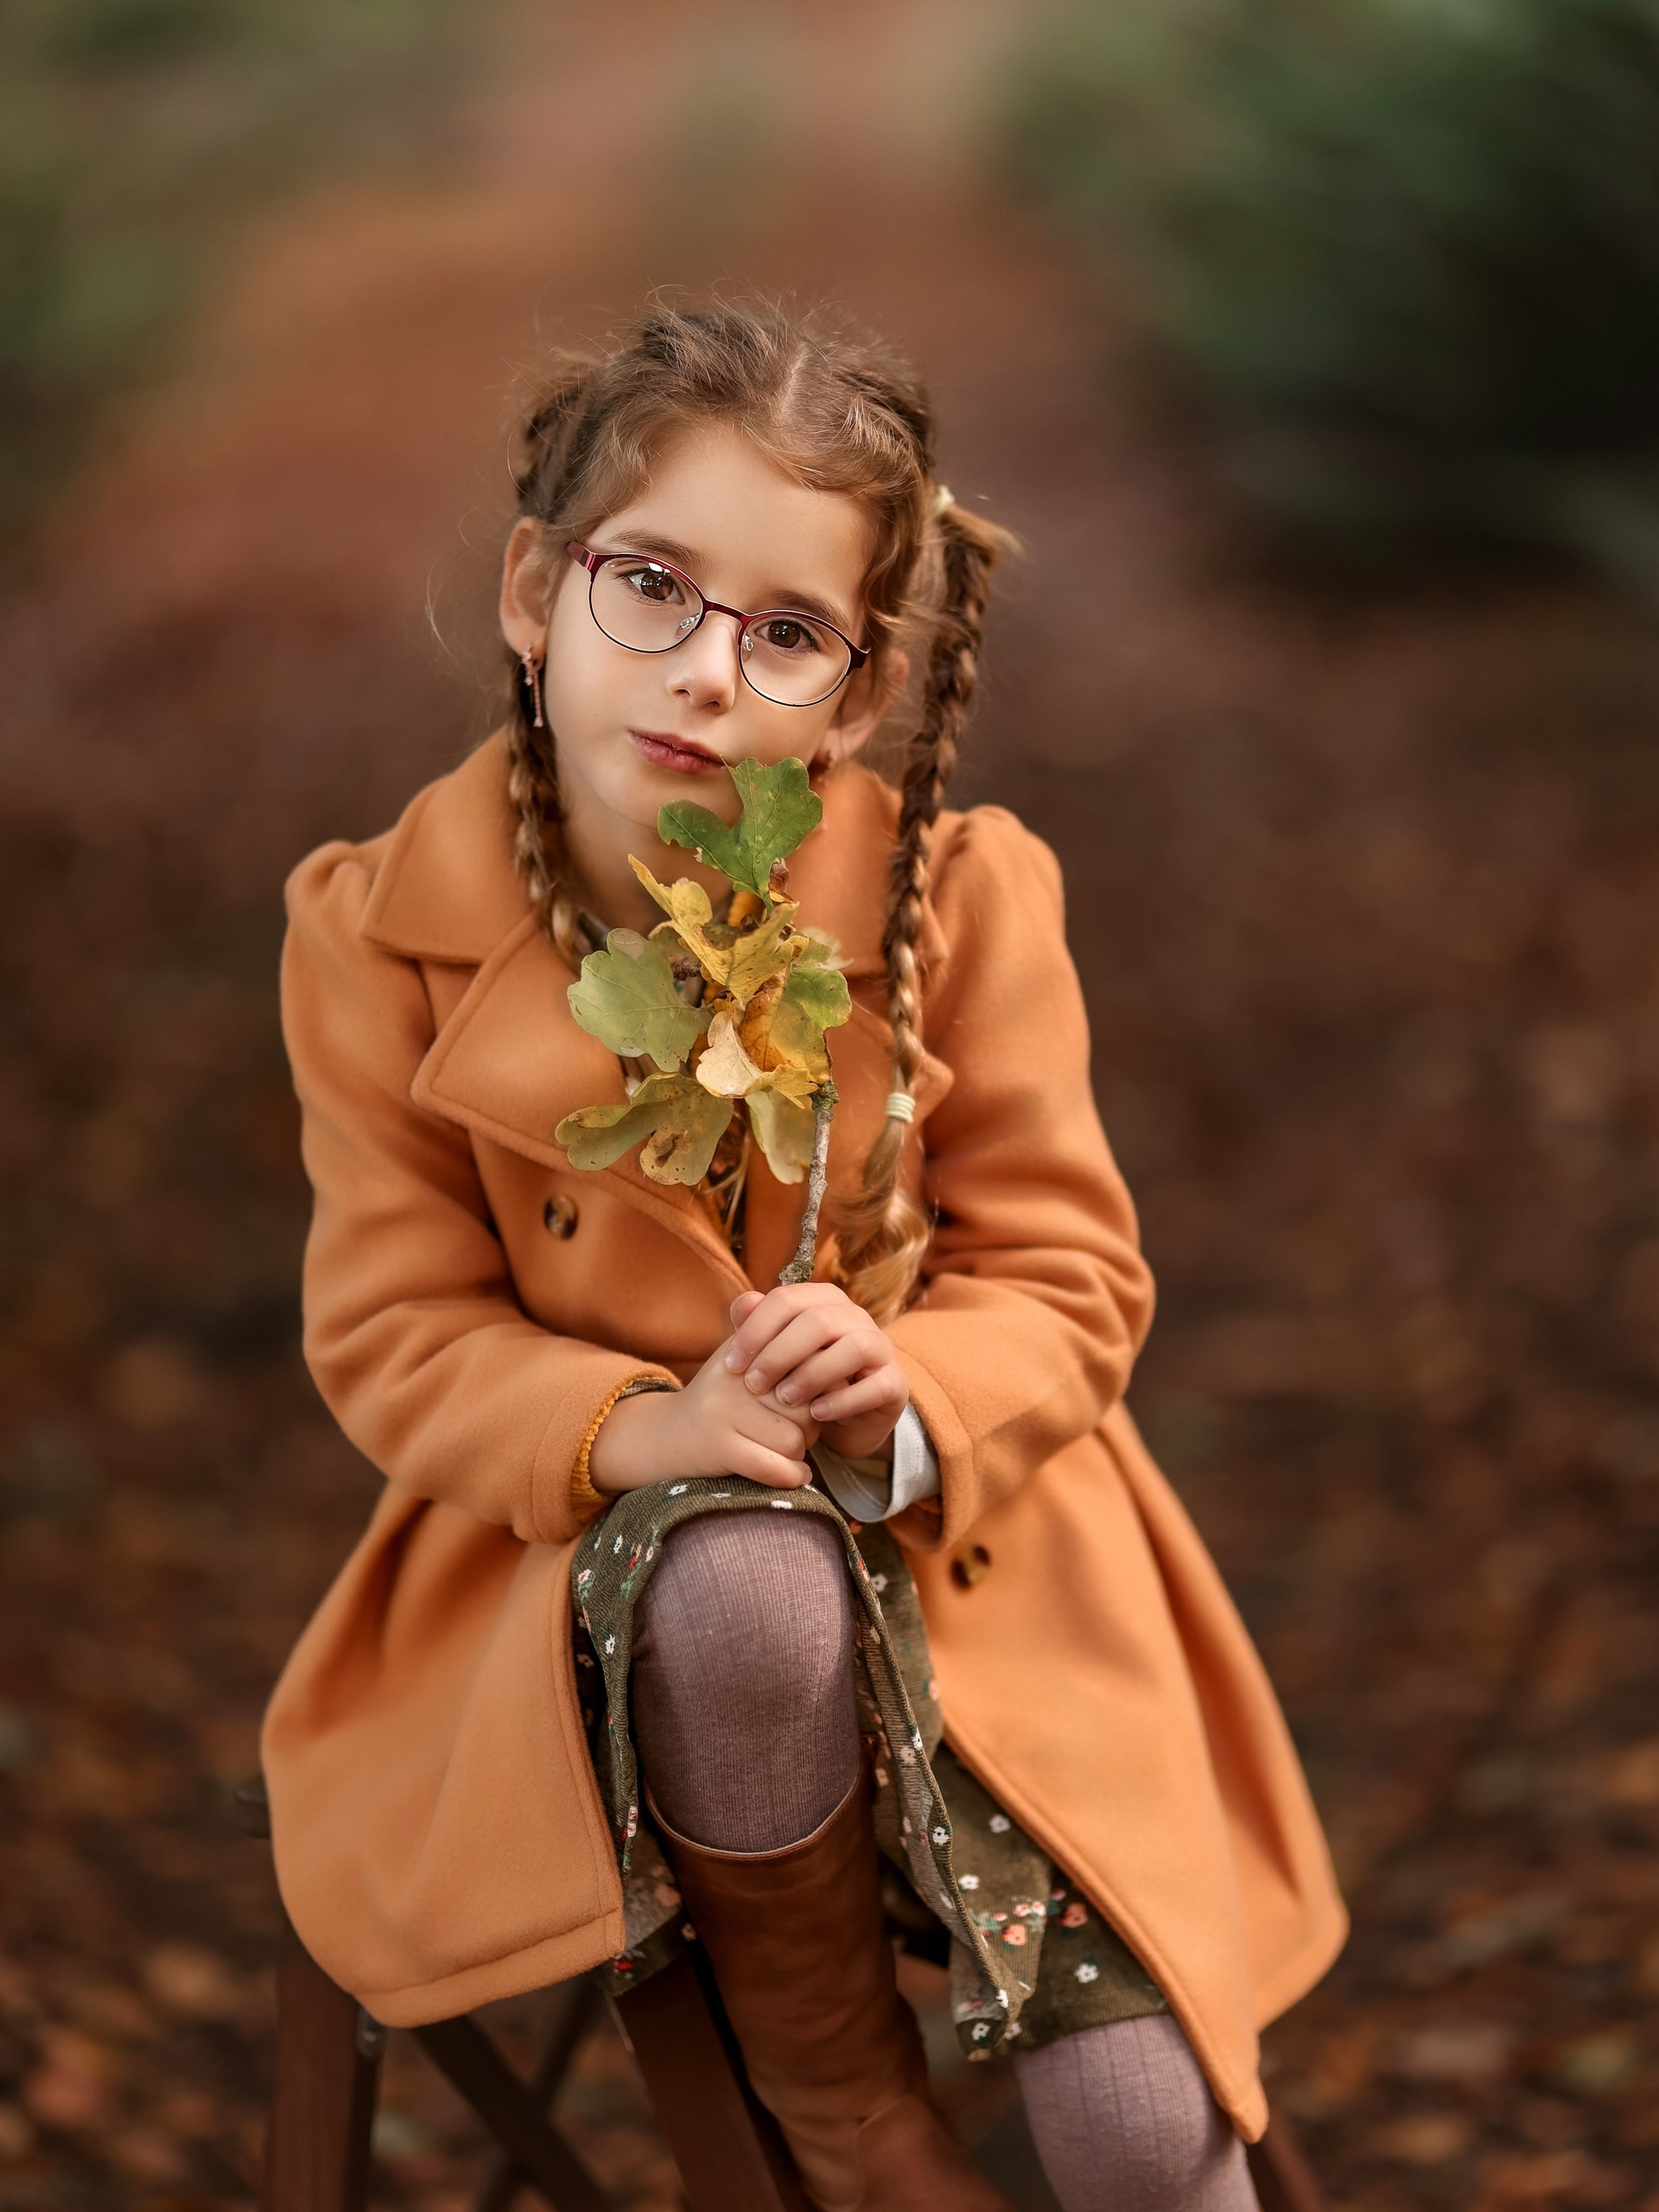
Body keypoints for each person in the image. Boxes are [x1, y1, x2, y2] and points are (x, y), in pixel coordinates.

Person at [263, 300, 1346, 2212]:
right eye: (650, 588)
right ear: (534, 590)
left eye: (783, 632)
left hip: (981, 1551)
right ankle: (839, 2100)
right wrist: (637, 1420)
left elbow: (1072, 1275)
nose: (701, 672)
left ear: (851, 695)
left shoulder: (955, 899)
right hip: (592, 1570)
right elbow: (392, 1326)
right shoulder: (374, 936)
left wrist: (913, 1377)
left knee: (1141, 2138)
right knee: (745, 1586)